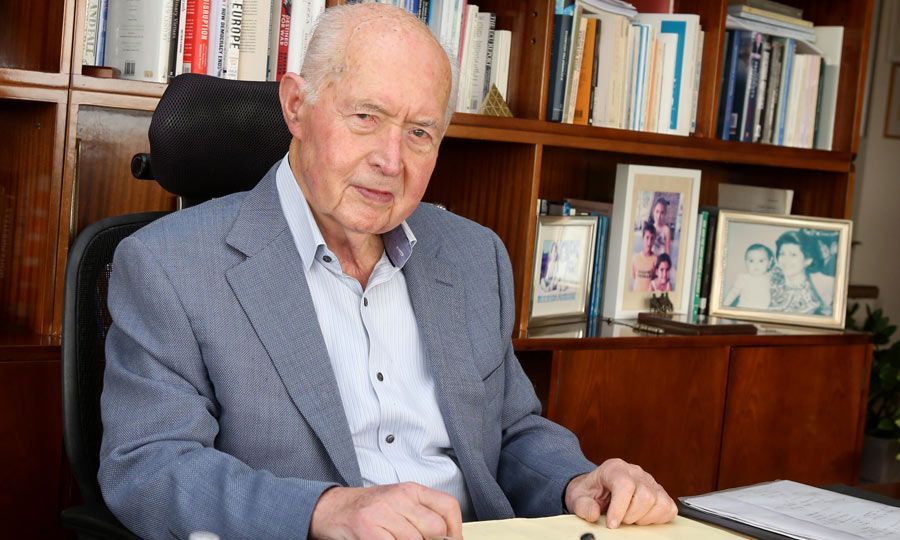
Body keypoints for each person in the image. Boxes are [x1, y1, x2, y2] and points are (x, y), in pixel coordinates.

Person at [98, 4, 676, 539]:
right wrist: (324, 510)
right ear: (296, 106)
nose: (391, 160)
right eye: (365, 117)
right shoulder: (170, 266)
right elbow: (148, 466)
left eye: (419, 132)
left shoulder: (475, 257)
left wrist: (577, 480)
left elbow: (508, 432)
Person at [769, 231, 828, 315]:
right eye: (782, 254)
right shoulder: (773, 277)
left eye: (793, 255)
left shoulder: (809, 304)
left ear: (808, 260)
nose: (785, 260)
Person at [723, 243, 773, 309]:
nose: (756, 264)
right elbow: (733, 293)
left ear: (769, 263)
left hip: (762, 312)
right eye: (751, 261)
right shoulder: (743, 278)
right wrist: (724, 306)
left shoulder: (770, 278)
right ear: (746, 263)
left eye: (761, 261)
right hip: (744, 310)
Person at [631, 221, 658, 291]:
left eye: (652, 238)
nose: (649, 242)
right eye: (647, 238)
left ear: (654, 240)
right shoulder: (635, 258)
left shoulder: (656, 259)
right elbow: (634, 276)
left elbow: (655, 279)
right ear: (642, 238)